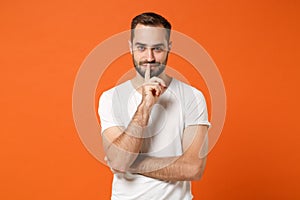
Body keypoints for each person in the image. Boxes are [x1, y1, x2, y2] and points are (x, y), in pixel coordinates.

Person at [98, 12, 210, 200]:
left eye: (157, 49)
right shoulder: (110, 98)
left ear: (169, 47)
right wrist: (145, 106)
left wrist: (131, 164)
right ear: (131, 47)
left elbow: (193, 168)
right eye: (141, 48)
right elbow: (118, 159)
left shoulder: (193, 97)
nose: (149, 57)